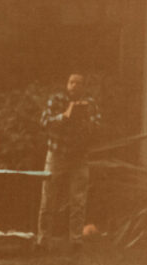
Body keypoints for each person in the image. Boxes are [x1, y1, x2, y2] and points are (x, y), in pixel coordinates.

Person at [37, 72, 101, 250]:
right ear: (67, 84)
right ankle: (43, 239)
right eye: (71, 82)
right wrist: (65, 115)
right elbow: (44, 123)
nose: (74, 86)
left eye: (78, 83)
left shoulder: (90, 104)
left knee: (78, 200)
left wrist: (84, 123)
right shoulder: (56, 100)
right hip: (57, 154)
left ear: (83, 87)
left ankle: (76, 240)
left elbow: (96, 127)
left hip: (79, 156)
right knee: (48, 197)